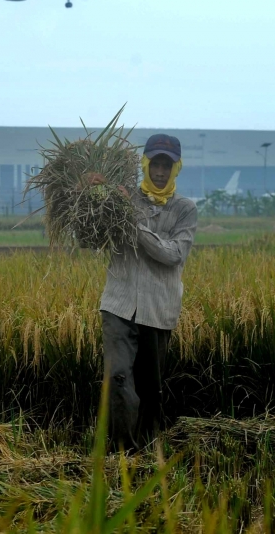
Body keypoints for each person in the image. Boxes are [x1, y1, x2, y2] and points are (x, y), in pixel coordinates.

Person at [88, 134, 197, 451]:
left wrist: (132, 220)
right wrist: (90, 195)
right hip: (118, 305)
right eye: (155, 164)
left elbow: (173, 254)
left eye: (167, 165)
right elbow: (90, 239)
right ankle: (122, 451)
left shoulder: (184, 210)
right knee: (118, 377)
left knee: (151, 387)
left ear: (175, 168)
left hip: (158, 308)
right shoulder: (121, 199)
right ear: (145, 165)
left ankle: (149, 450)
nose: (160, 171)